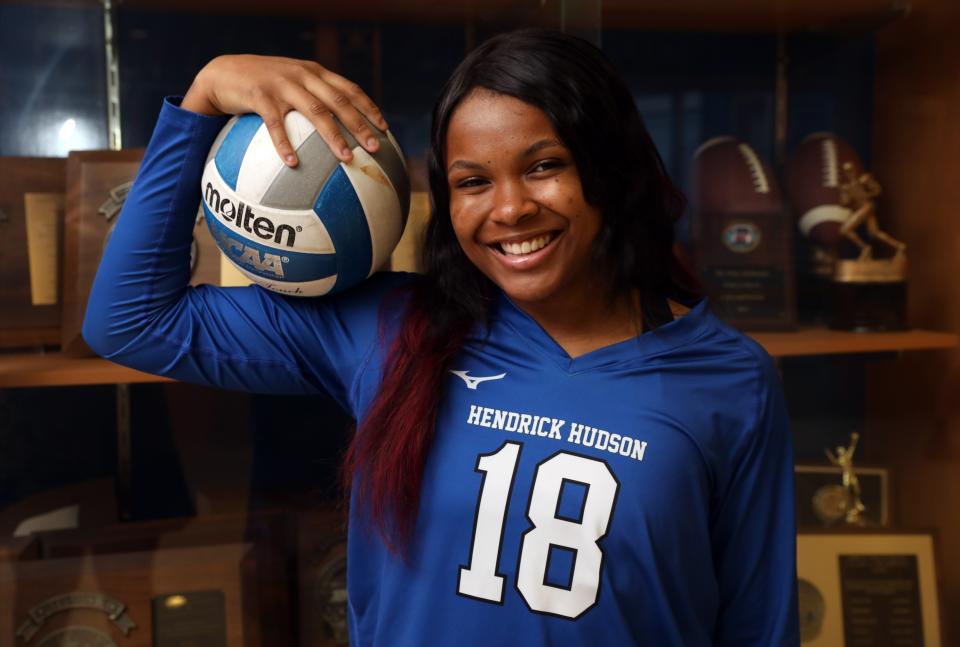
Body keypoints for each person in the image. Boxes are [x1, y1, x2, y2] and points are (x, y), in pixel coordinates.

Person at [83, 29, 799, 646]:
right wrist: (204, 97)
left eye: (544, 165)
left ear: (610, 169)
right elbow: (130, 321)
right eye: (472, 181)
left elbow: (758, 627)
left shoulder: (730, 380)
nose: (510, 208)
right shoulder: (396, 330)